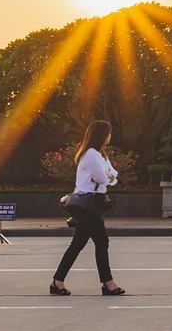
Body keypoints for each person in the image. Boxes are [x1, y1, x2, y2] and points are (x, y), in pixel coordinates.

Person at [50, 120, 126, 295]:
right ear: (101, 134)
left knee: (77, 244)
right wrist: (105, 176)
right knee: (102, 241)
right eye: (108, 132)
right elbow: (103, 178)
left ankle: (57, 281)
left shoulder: (101, 155)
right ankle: (108, 283)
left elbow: (114, 176)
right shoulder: (91, 154)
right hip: (87, 204)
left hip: (95, 203)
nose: (110, 136)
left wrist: (106, 175)